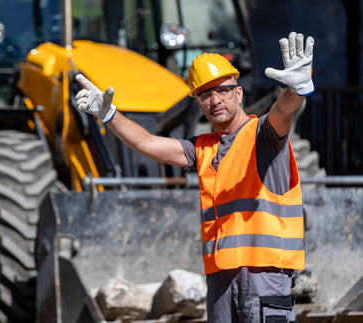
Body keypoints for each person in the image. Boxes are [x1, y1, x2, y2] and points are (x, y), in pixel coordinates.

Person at [75, 31, 314, 323]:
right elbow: (147, 144)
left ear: (238, 93)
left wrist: (295, 91)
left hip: (265, 276)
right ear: (199, 103)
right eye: (205, 94)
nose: (215, 100)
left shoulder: (263, 134)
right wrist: (109, 114)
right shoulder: (202, 148)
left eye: (223, 90)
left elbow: (283, 112)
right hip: (220, 281)